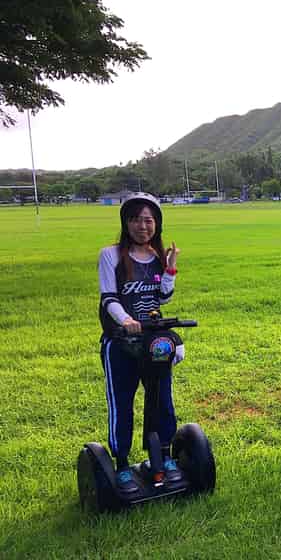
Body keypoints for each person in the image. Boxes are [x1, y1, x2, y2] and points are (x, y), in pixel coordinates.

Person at [98, 192, 183, 493]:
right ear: (126, 222)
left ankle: (163, 456)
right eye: (135, 219)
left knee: (162, 400)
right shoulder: (110, 255)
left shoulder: (158, 257)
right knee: (122, 402)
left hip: (152, 342)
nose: (142, 226)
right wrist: (125, 321)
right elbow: (108, 297)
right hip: (120, 342)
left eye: (148, 220)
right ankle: (121, 464)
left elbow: (163, 298)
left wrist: (170, 269)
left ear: (157, 224)